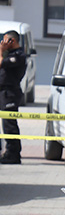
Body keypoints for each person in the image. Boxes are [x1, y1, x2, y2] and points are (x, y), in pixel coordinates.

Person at [0, 30, 27, 164]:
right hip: (3, 92)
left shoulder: (19, 55)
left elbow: (1, 63)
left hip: (10, 93)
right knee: (5, 124)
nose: (2, 43)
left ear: (12, 41)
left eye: (5, 40)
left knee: (9, 124)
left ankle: (13, 154)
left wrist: (1, 51)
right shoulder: (8, 53)